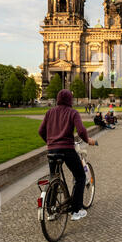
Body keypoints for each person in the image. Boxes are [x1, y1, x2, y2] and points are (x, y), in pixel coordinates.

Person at [38, 89, 96, 221]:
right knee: (80, 176)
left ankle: (50, 212)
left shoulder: (50, 112)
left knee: (54, 179)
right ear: (70, 100)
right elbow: (81, 130)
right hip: (67, 149)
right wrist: (88, 140)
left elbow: (41, 131)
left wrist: (50, 142)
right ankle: (76, 210)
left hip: (52, 151)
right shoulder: (72, 112)